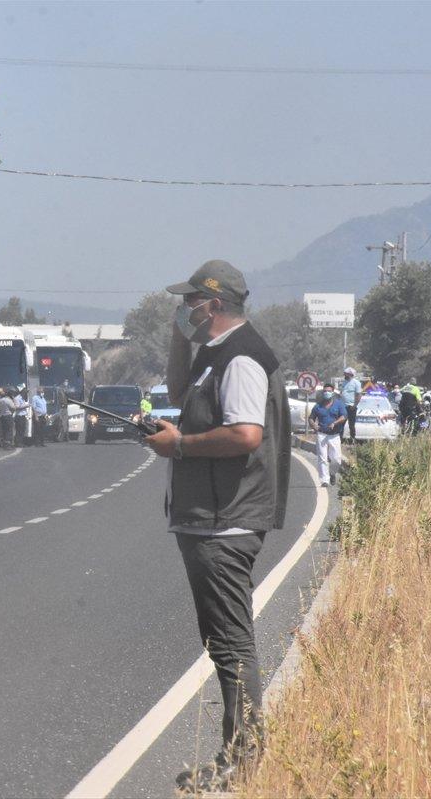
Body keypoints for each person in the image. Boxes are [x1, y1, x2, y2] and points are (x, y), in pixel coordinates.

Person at [146, 260, 290, 793]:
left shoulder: (243, 357)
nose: (183, 309)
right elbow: (179, 391)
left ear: (213, 304)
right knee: (223, 641)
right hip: (210, 519)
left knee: (231, 643)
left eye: (190, 303)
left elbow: (247, 434)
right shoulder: (215, 352)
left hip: (225, 521)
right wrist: (178, 338)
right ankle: (237, 753)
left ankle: (245, 761)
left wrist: (180, 445)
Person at [308, 383, 346, 488]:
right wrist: (313, 425)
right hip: (322, 434)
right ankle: (324, 480)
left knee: (336, 459)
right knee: (322, 458)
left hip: (334, 435)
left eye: (329, 391)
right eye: (325, 391)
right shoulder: (318, 406)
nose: (326, 393)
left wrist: (335, 423)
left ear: (333, 392)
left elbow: (343, 416)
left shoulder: (339, 404)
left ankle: (332, 473)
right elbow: (311, 418)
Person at [339, 368, 362, 444]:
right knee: (341, 423)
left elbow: (359, 395)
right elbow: (341, 392)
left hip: (351, 407)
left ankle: (352, 439)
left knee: (351, 425)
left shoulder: (356, 383)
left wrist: (355, 405)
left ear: (350, 374)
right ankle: (340, 439)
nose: (344, 375)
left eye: (346, 374)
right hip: (343, 406)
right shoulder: (343, 382)